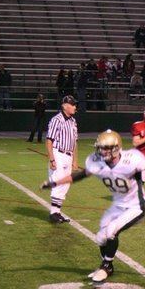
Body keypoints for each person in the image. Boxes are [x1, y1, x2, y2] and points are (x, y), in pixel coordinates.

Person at [41, 130, 145, 284]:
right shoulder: (98, 162)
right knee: (100, 237)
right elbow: (79, 176)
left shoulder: (131, 160)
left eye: (105, 148)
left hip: (136, 206)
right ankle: (106, 266)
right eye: (100, 147)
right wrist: (54, 182)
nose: (102, 151)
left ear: (115, 148)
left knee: (111, 231)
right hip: (118, 204)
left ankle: (106, 266)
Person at [44, 95, 79, 223]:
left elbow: (74, 141)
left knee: (65, 184)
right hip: (58, 153)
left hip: (68, 155)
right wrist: (52, 159)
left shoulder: (73, 121)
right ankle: (54, 213)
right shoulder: (56, 120)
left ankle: (57, 212)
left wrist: (75, 159)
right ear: (65, 106)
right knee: (58, 181)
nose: (75, 107)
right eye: (73, 104)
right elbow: (49, 141)